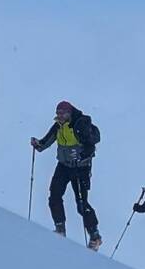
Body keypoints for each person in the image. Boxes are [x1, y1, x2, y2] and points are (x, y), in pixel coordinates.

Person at [31, 101, 102, 249]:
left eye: (62, 113)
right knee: (54, 195)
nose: (59, 116)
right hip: (63, 166)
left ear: (69, 113)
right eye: (58, 113)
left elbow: (91, 146)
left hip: (80, 168)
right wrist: (38, 144)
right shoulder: (58, 126)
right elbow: (46, 142)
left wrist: (81, 156)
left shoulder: (79, 125)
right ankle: (60, 229)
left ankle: (95, 236)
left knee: (81, 204)